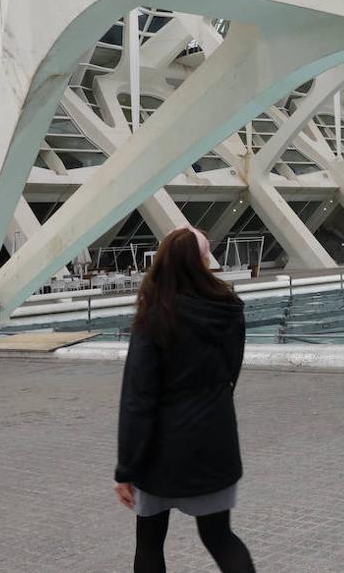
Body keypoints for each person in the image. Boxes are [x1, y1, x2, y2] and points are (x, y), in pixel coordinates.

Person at [114, 227, 256, 573]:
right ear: (203, 262)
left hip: (160, 451)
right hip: (214, 442)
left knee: (149, 539)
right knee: (220, 537)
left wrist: (126, 469)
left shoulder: (154, 317)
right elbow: (230, 373)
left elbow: (138, 399)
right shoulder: (228, 310)